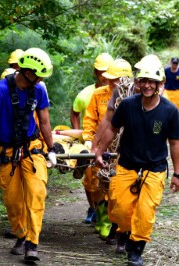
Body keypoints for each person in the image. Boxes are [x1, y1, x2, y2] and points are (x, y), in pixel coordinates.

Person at [95, 56, 179, 266]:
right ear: (137, 82)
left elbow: (174, 143)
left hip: (154, 169)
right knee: (120, 209)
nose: (146, 85)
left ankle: (135, 251)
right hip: (127, 165)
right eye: (143, 80)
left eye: (151, 82)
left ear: (159, 84)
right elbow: (112, 129)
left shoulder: (169, 111)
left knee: (145, 213)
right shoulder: (127, 105)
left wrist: (178, 173)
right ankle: (124, 232)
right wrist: (99, 151)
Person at [0, 48, 56, 262]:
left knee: (36, 193)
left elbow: (44, 121)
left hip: (32, 148)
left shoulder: (39, 90)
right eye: (39, 75)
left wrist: (52, 149)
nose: (41, 79)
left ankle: (32, 243)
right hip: (6, 150)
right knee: (13, 201)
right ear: (27, 71)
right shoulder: (1, 89)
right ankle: (22, 234)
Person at [82, 59, 132, 240]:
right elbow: (91, 120)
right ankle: (103, 220)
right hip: (103, 146)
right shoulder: (98, 94)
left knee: (118, 188)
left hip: (123, 149)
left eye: (114, 79)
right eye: (109, 79)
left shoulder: (135, 96)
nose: (110, 82)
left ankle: (116, 224)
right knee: (98, 184)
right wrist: (90, 142)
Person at [70, 52, 113, 224]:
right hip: (93, 143)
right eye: (100, 72)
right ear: (95, 72)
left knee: (111, 182)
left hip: (114, 144)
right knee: (91, 181)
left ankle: (107, 219)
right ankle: (94, 209)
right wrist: (82, 136)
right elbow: (77, 114)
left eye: (106, 71)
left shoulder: (123, 93)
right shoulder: (87, 94)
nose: (103, 76)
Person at [71, 53, 113, 130]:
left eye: (108, 72)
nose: (105, 76)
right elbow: (74, 114)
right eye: (102, 73)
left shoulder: (119, 93)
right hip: (89, 138)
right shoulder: (84, 95)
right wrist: (76, 133)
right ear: (95, 72)